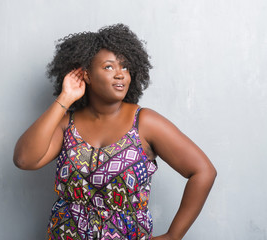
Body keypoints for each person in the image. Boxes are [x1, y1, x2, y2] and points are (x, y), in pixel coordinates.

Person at [13, 24, 216, 240]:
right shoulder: (67, 123)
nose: (120, 75)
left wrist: (174, 235)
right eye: (109, 67)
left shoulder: (145, 122)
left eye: (125, 67)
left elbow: (203, 171)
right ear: (87, 75)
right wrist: (64, 98)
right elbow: (25, 160)